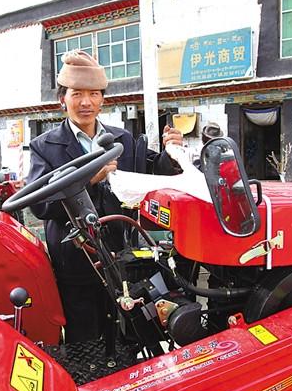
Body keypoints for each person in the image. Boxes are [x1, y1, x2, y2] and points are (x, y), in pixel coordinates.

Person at [27, 50, 183, 343]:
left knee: (127, 332)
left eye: (94, 94)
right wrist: (89, 179)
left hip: (120, 254)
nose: (86, 102)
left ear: (102, 100)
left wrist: (171, 154)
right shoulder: (45, 146)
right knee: (84, 336)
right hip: (75, 261)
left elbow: (150, 172)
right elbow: (40, 205)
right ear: (62, 99)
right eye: (77, 94)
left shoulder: (122, 139)